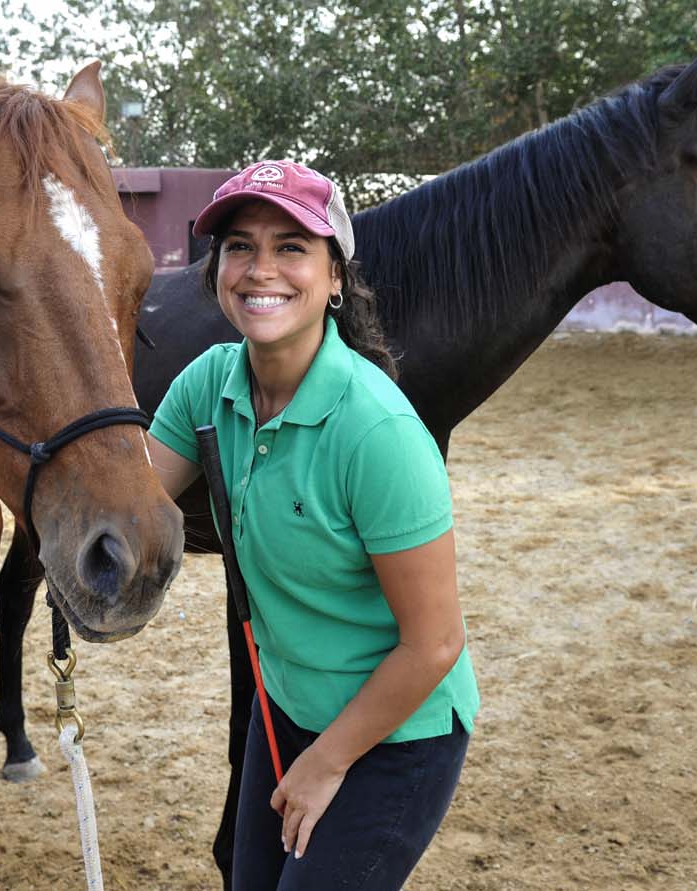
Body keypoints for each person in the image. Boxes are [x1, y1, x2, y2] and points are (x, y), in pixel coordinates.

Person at [146, 160, 479, 890]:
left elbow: (436, 643)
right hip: (286, 703)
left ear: (335, 278)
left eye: (292, 246)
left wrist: (327, 763)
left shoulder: (377, 430)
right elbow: (135, 506)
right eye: (239, 246)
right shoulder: (207, 384)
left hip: (397, 729)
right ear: (216, 272)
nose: (261, 267)